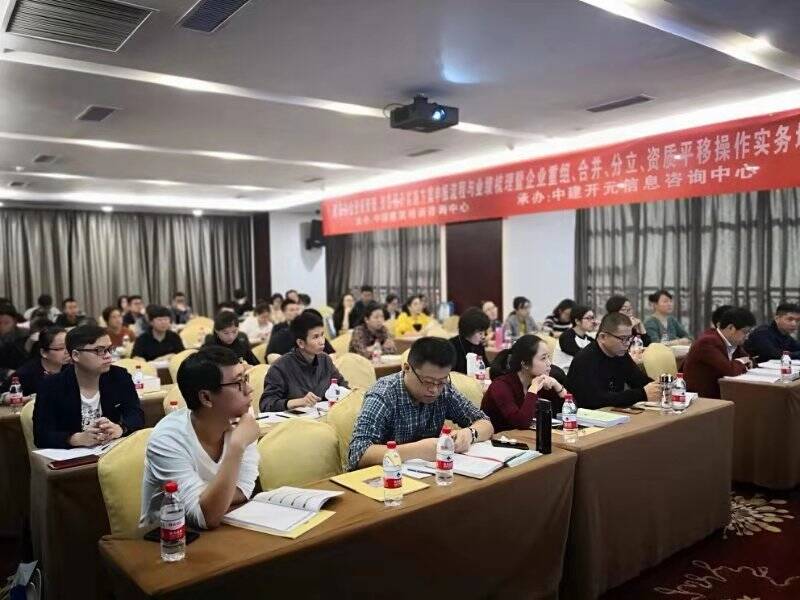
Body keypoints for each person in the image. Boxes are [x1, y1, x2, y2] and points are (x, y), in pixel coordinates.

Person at [139, 346, 259, 530]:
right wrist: (236, 447)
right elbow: (206, 517)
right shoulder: (167, 439)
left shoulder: (242, 422)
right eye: (238, 383)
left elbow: (244, 489)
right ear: (206, 398)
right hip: (169, 537)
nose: (249, 389)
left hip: (226, 524)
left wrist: (211, 500)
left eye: (246, 378)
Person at [347, 337, 494, 470]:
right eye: (428, 382)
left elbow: (485, 422)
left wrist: (470, 434)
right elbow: (358, 453)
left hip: (429, 475)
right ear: (407, 368)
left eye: (441, 382)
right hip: (386, 477)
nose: (434, 390)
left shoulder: (444, 390)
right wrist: (417, 450)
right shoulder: (384, 394)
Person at [33, 325, 144, 449]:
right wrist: (76, 438)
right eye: (99, 350)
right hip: (73, 455)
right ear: (76, 355)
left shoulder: (119, 376)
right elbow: (41, 436)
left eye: (109, 349)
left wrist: (121, 428)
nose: (108, 356)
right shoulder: (51, 386)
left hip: (110, 450)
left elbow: (136, 415)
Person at [566, 313, 661, 409]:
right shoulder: (585, 360)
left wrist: (659, 386)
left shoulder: (620, 354)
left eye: (630, 338)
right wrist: (642, 394)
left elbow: (639, 380)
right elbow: (595, 400)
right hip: (588, 415)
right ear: (603, 337)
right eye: (623, 339)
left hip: (613, 412)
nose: (627, 343)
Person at [260, 311, 348, 412]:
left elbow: (342, 386)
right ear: (301, 343)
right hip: (293, 420)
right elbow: (266, 404)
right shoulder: (280, 367)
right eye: (315, 337)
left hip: (323, 417)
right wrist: (297, 402)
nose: (322, 341)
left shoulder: (325, 360)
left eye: (322, 335)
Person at [481, 334, 569, 431]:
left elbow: (570, 412)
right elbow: (521, 423)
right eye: (543, 358)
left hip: (526, 438)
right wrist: (533, 389)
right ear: (525, 364)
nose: (549, 363)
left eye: (548, 357)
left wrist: (557, 385)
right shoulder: (500, 386)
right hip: (497, 438)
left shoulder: (541, 380)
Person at [683, 307, 755, 399]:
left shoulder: (733, 343)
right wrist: (742, 362)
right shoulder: (707, 342)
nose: (747, 336)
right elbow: (730, 371)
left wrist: (743, 362)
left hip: (723, 393)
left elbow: (750, 361)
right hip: (702, 399)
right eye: (745, 332)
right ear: (731, 328)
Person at [0, 326, 68, 396]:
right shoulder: (25, 374)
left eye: (69, 346)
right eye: (61, 348)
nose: (67, 351)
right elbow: (3, 394)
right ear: (44, 353)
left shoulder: (72, 368)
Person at [552, 306, 596, 372]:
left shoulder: (589, 339)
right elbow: (581, 356)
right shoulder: (566, 337)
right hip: (563, 374)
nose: (593, 321)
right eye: (588, 318)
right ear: (577, 321)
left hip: (579, 373)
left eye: (593, 318)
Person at [448, 307, 490, 374]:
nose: (483, 336)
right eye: (480, 333)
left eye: (484, 332)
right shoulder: (451, 346)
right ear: (469, 331)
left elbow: (486, 366)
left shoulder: (479, 345)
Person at [0, 304, 29, 377]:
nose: (2, 327)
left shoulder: (25, 335)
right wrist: (6, 372)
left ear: (15, 322)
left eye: (6, 323)